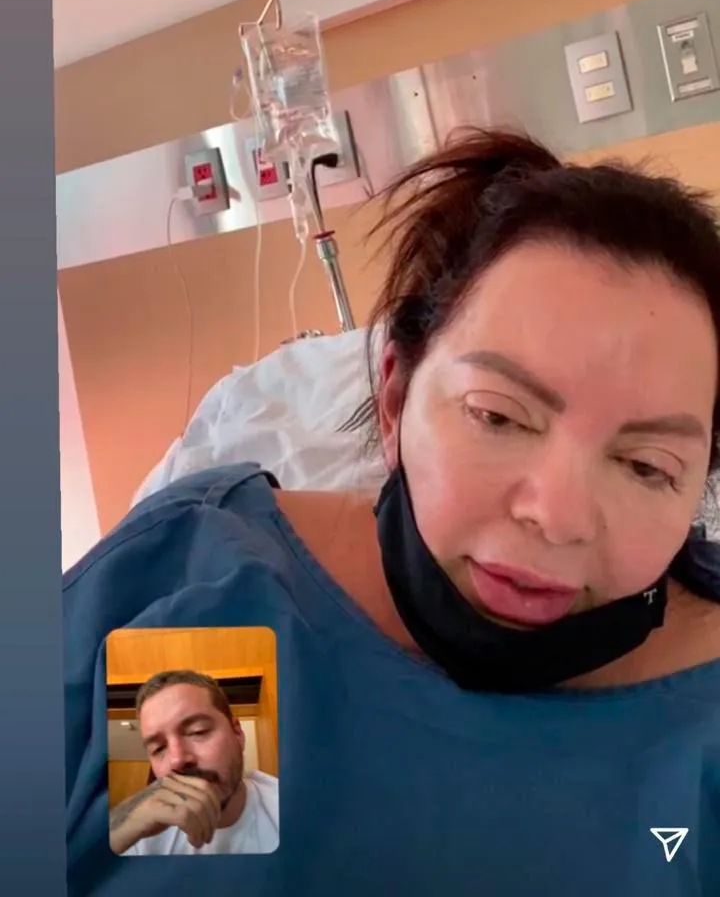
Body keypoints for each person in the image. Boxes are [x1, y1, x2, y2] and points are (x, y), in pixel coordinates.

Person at [64, 128, 720, 897]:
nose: (558, 516)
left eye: (646, 466)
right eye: (498, 416)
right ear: (396, 395)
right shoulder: (213, 593)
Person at [109, 670, 278, 856]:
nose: (177, 760)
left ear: (237, 733)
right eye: (158, 748)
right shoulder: (142, 838)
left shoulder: (291, 809)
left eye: (198, 731)